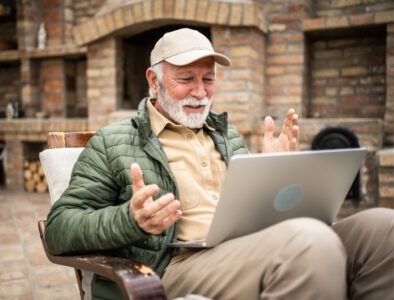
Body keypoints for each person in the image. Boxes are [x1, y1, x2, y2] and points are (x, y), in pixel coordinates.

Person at [45, 28, 393, 299]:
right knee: (308, 242)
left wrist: (275, 172)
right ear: (153, 80)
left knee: (384, 228)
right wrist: (131, 220)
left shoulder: (228, 135)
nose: (201, 91)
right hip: (179, 265)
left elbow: (251, 214)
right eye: (186, 79)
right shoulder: (113, 142)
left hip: (248, 248)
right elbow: (60, 228)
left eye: (208, 78)